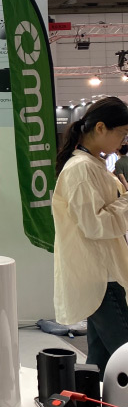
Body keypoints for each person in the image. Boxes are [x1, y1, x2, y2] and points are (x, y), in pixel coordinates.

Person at [53, 96, 128, 373]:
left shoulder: (91, 164)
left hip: (104, 273)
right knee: (123, 352)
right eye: (122, 133)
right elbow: (94, 225)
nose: (123, 141)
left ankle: (88, 398)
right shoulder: (81, 169)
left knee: (101, 358)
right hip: (100, 277)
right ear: (100, 128)